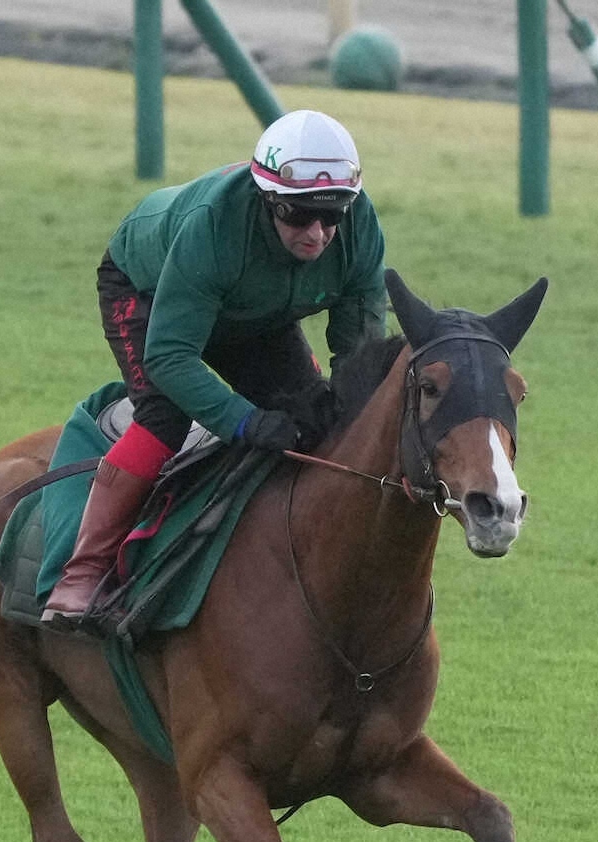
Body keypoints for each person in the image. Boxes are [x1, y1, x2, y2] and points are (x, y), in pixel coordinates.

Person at [41, 108, 387, 628]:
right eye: (298, 216)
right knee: (165, 416)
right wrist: (243, 421)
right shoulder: (213, 226)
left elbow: (359, 356)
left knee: (314, 415)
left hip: (254, 310)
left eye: (332, 214)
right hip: (149, 293)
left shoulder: (360, 230)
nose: (317, 233)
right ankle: (81, 573)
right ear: (268, 199)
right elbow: (170, 356)